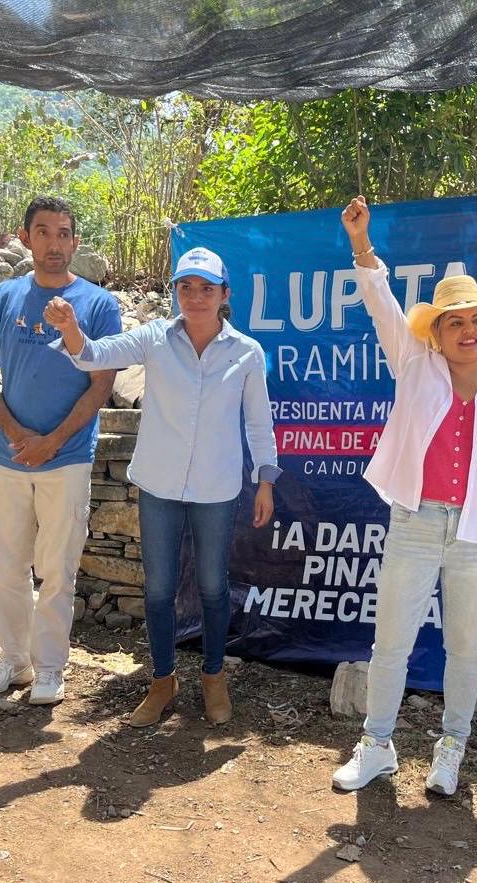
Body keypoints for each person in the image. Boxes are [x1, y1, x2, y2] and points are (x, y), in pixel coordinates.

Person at [330, 195, 477, 797]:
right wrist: (362, 245)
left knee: (463, 649)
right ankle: (377, 744)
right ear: (437, 333)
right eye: (454, 322)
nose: (468, 331)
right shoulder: (414, 364)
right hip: (416, 523)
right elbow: (381, 305)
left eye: (476, 320)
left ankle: (451, 751)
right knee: (390, 640)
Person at [45, 245, 279, 727]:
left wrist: (266, 480)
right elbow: (92, 356)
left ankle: (213, 678)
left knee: (214, 588)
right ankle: (162, 681)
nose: (195, 298)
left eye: (206, 289)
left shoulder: (246, 353)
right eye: (186, 287)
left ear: (224, 295)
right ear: (175, 292)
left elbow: (259, 423)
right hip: (159, 484)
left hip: (216, 488)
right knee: (159, 590)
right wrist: (70, 329)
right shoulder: (154, 337)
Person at [0, 197, 121, 705]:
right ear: (24, 237)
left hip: (68, 457)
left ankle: (51, 667)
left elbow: (101, 385)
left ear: (76, 242)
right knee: (6, 565)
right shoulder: (5, 298)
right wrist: (17, 436)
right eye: (43, 232)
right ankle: (13, 659)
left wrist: (52, 441)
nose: (54, 244)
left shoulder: (98, 305)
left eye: (63, 233)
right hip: (5, 456)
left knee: (58, 568)